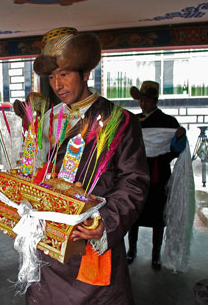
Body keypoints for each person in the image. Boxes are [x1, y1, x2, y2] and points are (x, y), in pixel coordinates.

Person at [25, 27, 149, 304]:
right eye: (52, 77)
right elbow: (35, 172)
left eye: (64, 74)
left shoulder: (120, 121)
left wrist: (106, 221)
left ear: (85, 73)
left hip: (89, 237)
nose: (57, 85)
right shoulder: (47, 120)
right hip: (48, 240)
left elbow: (134, 182)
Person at [127, 81, 187, 270]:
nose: (143, 104)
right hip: (136, 174)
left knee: (158, 217)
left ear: (155, 100)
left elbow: (176, 150)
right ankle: (132, 251)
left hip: (159, 175)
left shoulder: (168, 123)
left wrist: (178, 137)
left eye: (147, 100)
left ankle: (155, 256)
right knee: (134, 214)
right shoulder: (133, 122)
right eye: (141, 100)